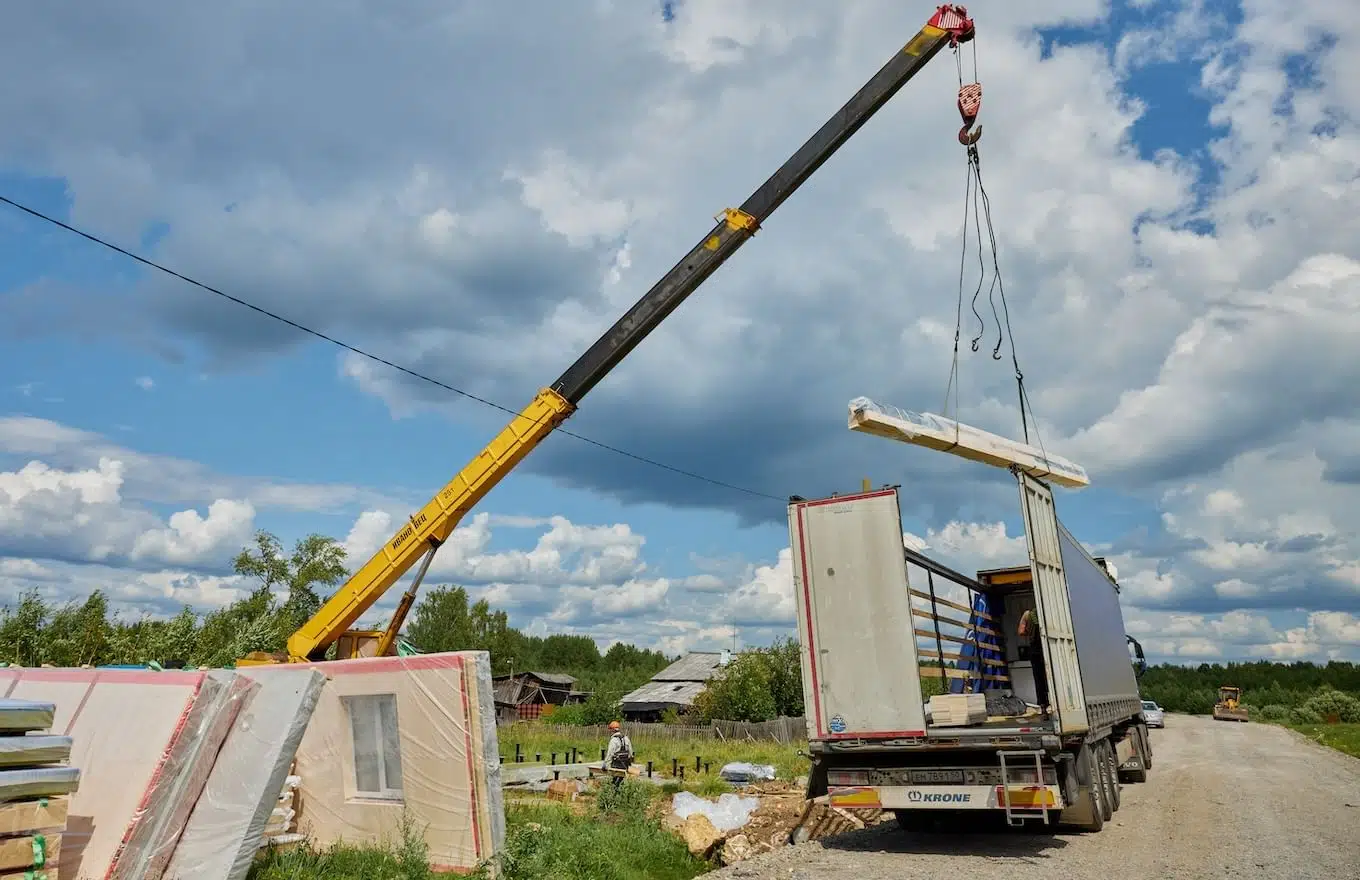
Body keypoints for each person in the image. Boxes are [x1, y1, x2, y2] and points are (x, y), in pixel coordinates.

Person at [1017, 608, 1049, 711]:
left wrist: (1030, 633)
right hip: (1048, 647)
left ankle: (1043, 708)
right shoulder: (1048, 612)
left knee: (1039, 679)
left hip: (1035, 649)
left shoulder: (1027, 614)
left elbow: (1021, 631)